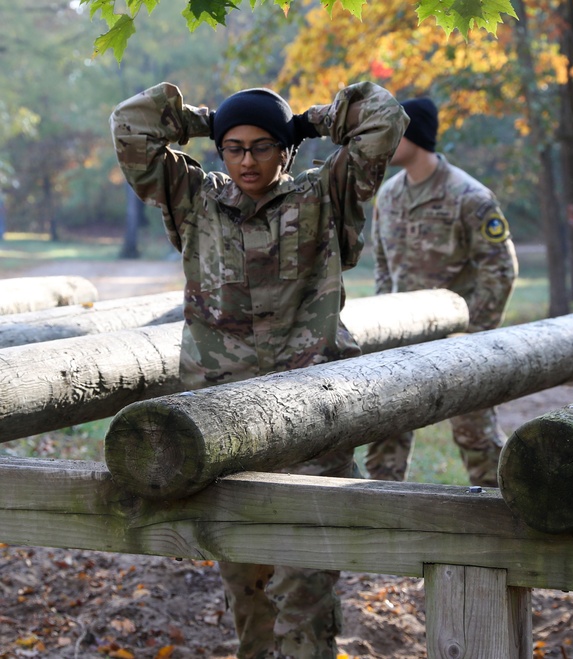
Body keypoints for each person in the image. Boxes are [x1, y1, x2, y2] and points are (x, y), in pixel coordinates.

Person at [110, 81, 407, 658]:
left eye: (264, 146)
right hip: (224, 426)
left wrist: (307, 121)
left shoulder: (325, 196)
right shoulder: (195, 199)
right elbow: (131, 124)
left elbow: (383, 118)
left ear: (286, 151)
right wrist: (208, 119)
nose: (248, 160)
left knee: (305, 587)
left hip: (311, 421)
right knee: (246, 588)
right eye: (235, 147)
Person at [364, 97, 518, 487]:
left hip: (458, 347)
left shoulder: (469, 197)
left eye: (393, 132)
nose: (385, 141)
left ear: (415, 135)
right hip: (400, 344)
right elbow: (384, 268)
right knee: (384, 444)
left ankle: (502, 525)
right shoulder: (390, 196)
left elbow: (500, 271)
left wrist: (473, 335)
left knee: (477, 441)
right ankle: (383, 525)